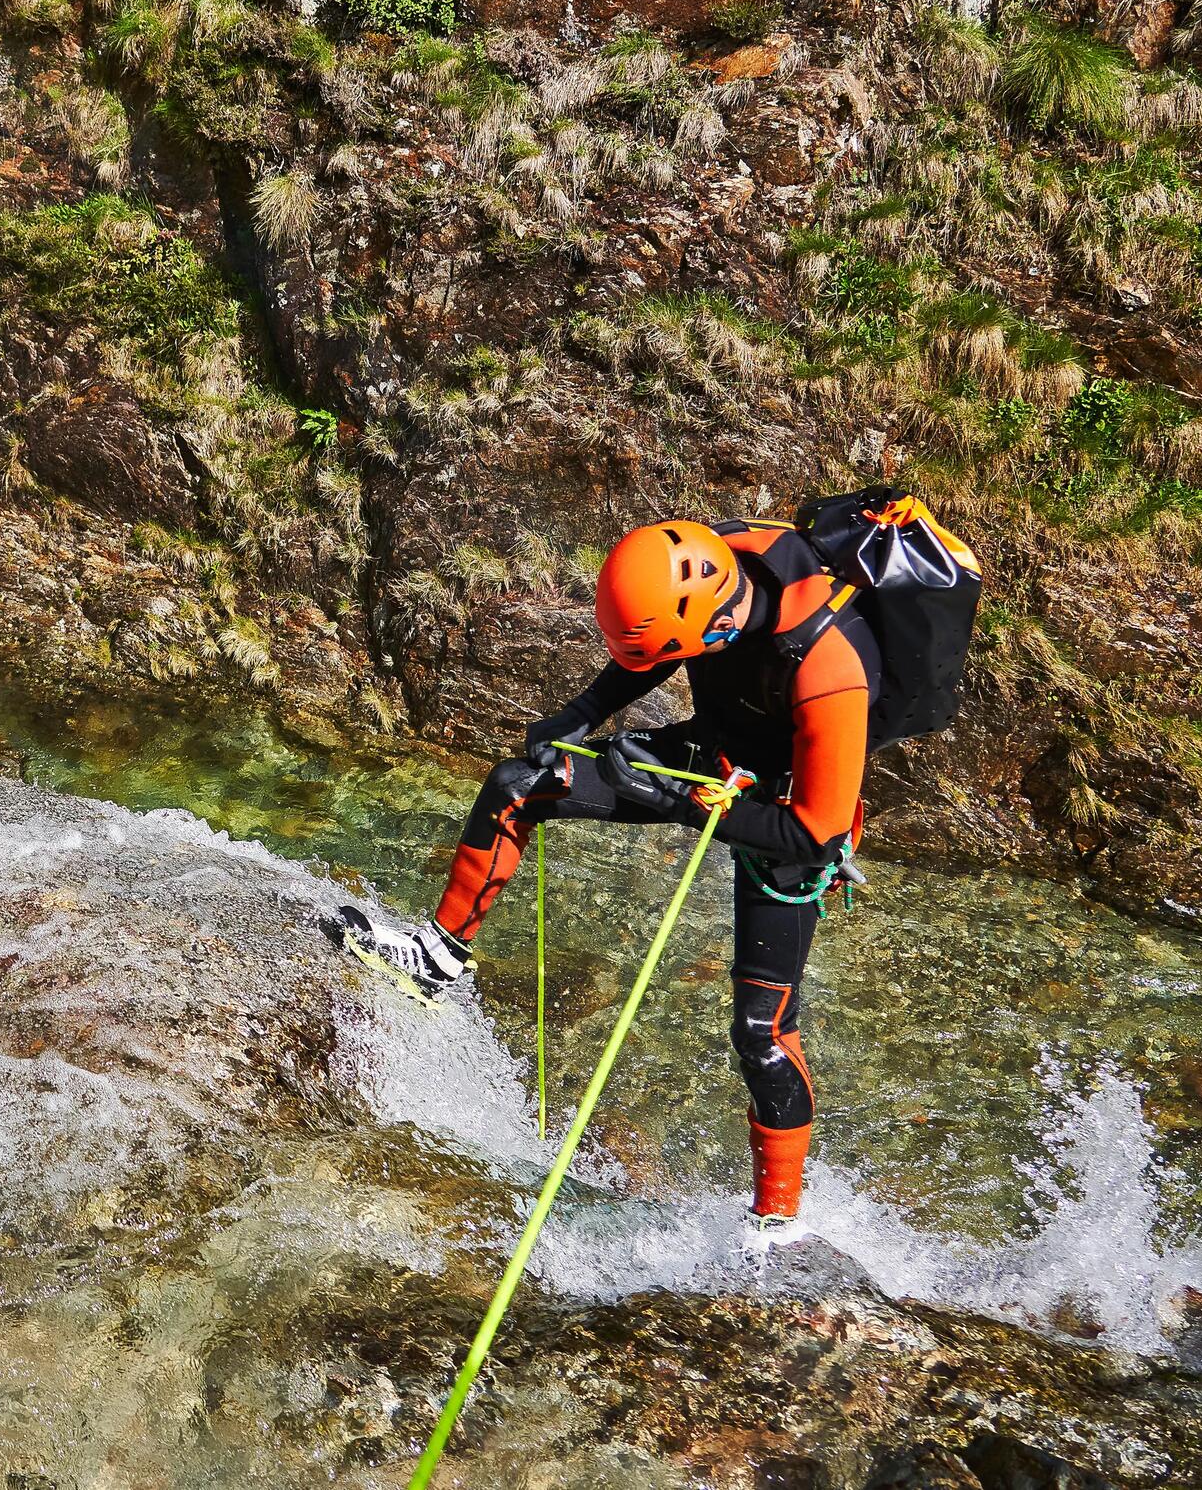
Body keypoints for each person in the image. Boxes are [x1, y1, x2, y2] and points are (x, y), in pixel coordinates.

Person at [337, 515, 877, 1239]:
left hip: (785, 808)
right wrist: (578, 716)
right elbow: (654, 648)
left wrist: (678, 804)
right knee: (518, 784)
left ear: (714, 631)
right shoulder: (715, 562)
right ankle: (436, 962)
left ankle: (776, 1227)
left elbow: (816, 833)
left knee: (762, 1033)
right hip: (712, 753)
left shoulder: (829, 668)